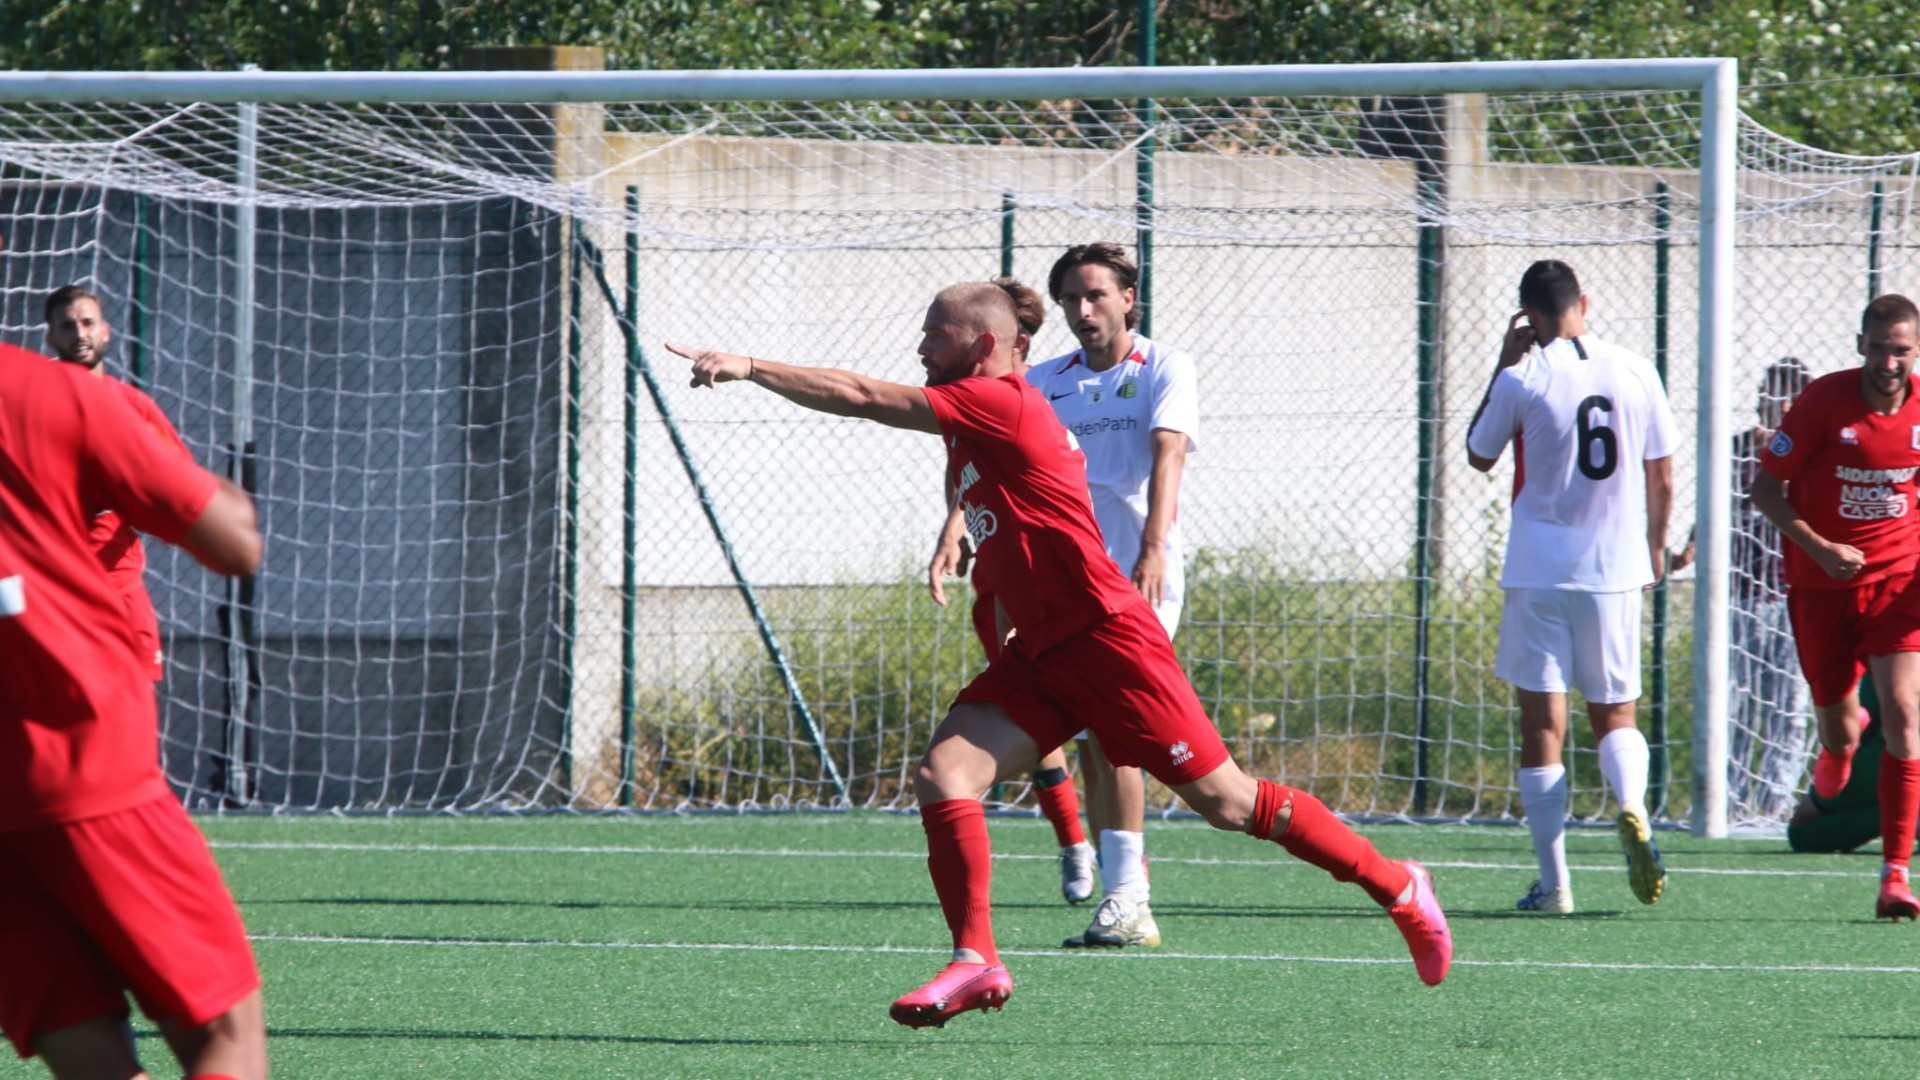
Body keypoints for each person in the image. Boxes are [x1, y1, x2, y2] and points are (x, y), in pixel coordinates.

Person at [671, 280, 1451, 1029]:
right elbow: (1013, 519)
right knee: (947, 772)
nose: (918, 345)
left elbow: (865, 396)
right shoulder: (982, 415)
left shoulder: (1001, 401)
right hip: (1045, 650)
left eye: (934, 335)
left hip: (1109, 642)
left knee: (1229, 804)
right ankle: (976, 959)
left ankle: (1398, 885)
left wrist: (751, 365)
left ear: (980, 347)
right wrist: (972, 548)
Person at [0, 343, 266, 1079]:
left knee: (87, 1055)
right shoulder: (59, 395)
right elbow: (234, 543)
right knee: (228, 1035)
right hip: (75, 752)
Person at [998, 242, 1200, 948]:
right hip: (1066, 581)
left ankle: (1128, 895)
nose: (1083, 312)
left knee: (1114, 730)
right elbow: (998, 456)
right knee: (1094, 734)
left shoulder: (1165, 366)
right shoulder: (1047, 380)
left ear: (1127, 298)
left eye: (1096, 296)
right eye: (1072, 301)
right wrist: (963, 522)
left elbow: (1168, 455)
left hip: (1139, 578)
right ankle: (1122, 888)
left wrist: (1152, 545)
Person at [1466, 259, 1677, 914]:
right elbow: (1662, 474)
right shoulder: (1636, 368)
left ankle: (1555, 883)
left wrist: (1504, 360)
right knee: (1615, 712)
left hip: (1539, 570)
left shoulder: (1525, 375)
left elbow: (1478, 452)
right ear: (1584, 301)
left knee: (1543, 726)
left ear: (1528, 314)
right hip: (1613, 570)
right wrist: (1655, 548)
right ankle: (1634, 806)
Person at [1752, 293, 1920, 919]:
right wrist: (1821, 548)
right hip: (1822, 586)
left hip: (1899, 586)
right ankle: (1836, 751)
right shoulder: (1824, 400)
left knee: (1905, 718)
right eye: (1878, 348)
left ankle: (1894, 877)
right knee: (1843, 728)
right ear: (1861, 346)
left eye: (1900, 349)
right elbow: (1767, 489)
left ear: (1915, 350)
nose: (1888, 361)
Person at [939, 278, 1101, 909]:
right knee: (1027, 721)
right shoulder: (968, 399)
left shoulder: (1027, 394)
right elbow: (977, 479)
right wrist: (954, 528)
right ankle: (1074, 844)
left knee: (1118, 740)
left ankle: (1116, 861)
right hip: (1000, 581)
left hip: (1069, 583)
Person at [1673, 358, 1815, 818]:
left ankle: (1773, 804)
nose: (1780, 404)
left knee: (1788, 708)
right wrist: (1691, 548)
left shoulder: (1810, 455)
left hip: (1790, 598)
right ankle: (1728, 804)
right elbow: (1712, 508)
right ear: (1761, 398)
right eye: (1773, 393)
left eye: (1791, 397)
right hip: (1738, 601)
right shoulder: (1735, 452)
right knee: (1736, 705)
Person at [44, 284, 195, 682]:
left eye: (87, 323)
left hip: (119, 589)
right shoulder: (28, 403)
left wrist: (145, 503)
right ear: (50, 337)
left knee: (133, 719)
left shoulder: (133, 407)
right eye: (67, 326)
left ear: (106, 331)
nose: (79, 334)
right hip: (49, 592)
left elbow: (180, 488)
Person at [1788, 677, 1894, 854]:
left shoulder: (1896, 654)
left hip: (1891, 760)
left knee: (1802, 830)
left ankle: (1903, 817)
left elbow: (1865, 715)